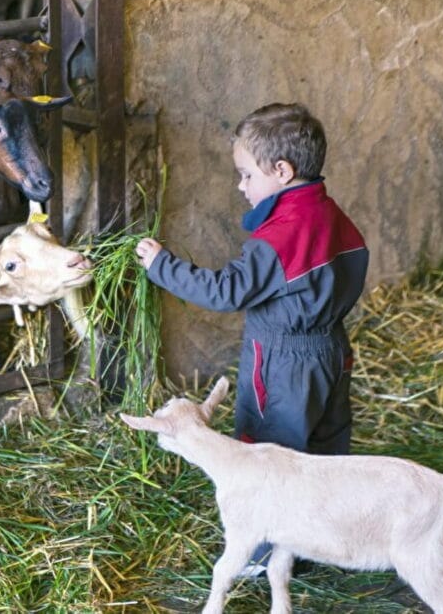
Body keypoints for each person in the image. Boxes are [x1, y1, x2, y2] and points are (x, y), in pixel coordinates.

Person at [135, 103, 369, 573]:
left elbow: (227, 291)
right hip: (331, 350)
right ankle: (322, 542)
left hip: (282, 360)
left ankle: (265, 556)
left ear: (281, 171)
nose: (241, 186)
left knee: (269, 452)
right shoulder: (331, 214)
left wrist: (163, 266)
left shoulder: (278, 236)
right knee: (325, 450)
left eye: (246, 175)